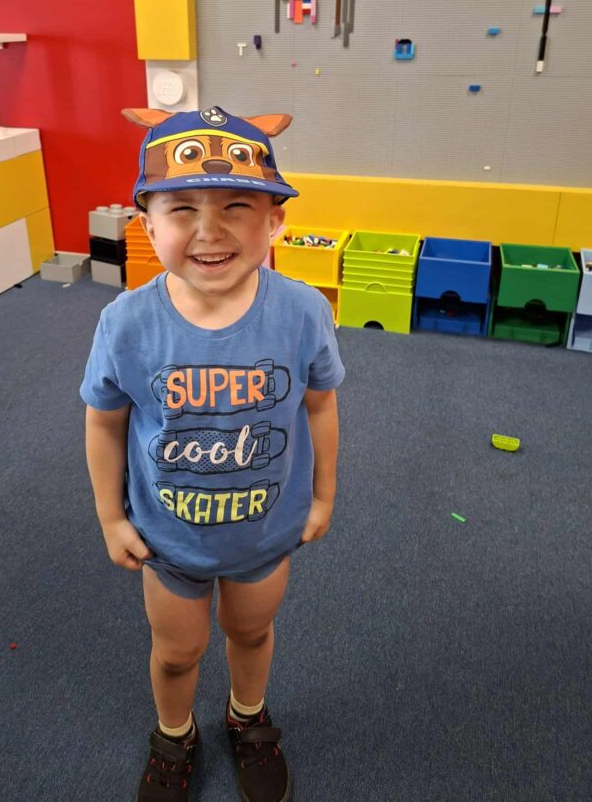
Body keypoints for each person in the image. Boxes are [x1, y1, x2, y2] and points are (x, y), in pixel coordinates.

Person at [80, 105, 344, 802]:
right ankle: (175, 734)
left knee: (251, 634)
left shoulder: (303, 311)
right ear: (147, 224)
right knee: (177, 653)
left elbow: (321, 405)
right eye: (182, 209)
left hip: (265, 532)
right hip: (169, 539)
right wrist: (111, 517)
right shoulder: (126, 322)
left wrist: (323, 495)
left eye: (236, 206)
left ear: (274, 222)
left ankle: (246, 717)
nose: (209, 229)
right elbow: (104, 423)